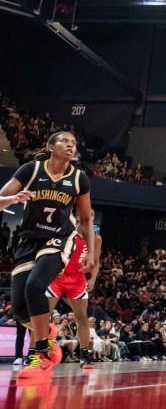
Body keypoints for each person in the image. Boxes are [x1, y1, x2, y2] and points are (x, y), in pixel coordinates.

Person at [0, 131, 95, 381]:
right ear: (50, 146)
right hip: (28, 240)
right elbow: (0, 199)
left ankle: (39, 356)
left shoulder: (78, 178)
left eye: (74, 143)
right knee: (21, 312)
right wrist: (11, 199)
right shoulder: (31, 170)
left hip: (58, 239)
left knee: (35, 286)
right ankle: (48, 332)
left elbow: (85, 220)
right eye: (65, 141)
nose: (70, 145)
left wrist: (91, 254)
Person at [46, 212, 102, 370]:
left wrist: (93, 278)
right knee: (43, 315)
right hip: (58, 276)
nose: (87, 218)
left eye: (91, 216)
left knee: (82, 317)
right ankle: (37, 353)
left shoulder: (96, 238)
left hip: (77, 280)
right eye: (84, 215)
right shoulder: (67, 232)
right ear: (78, 218)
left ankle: (85, 354)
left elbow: (96, 261)